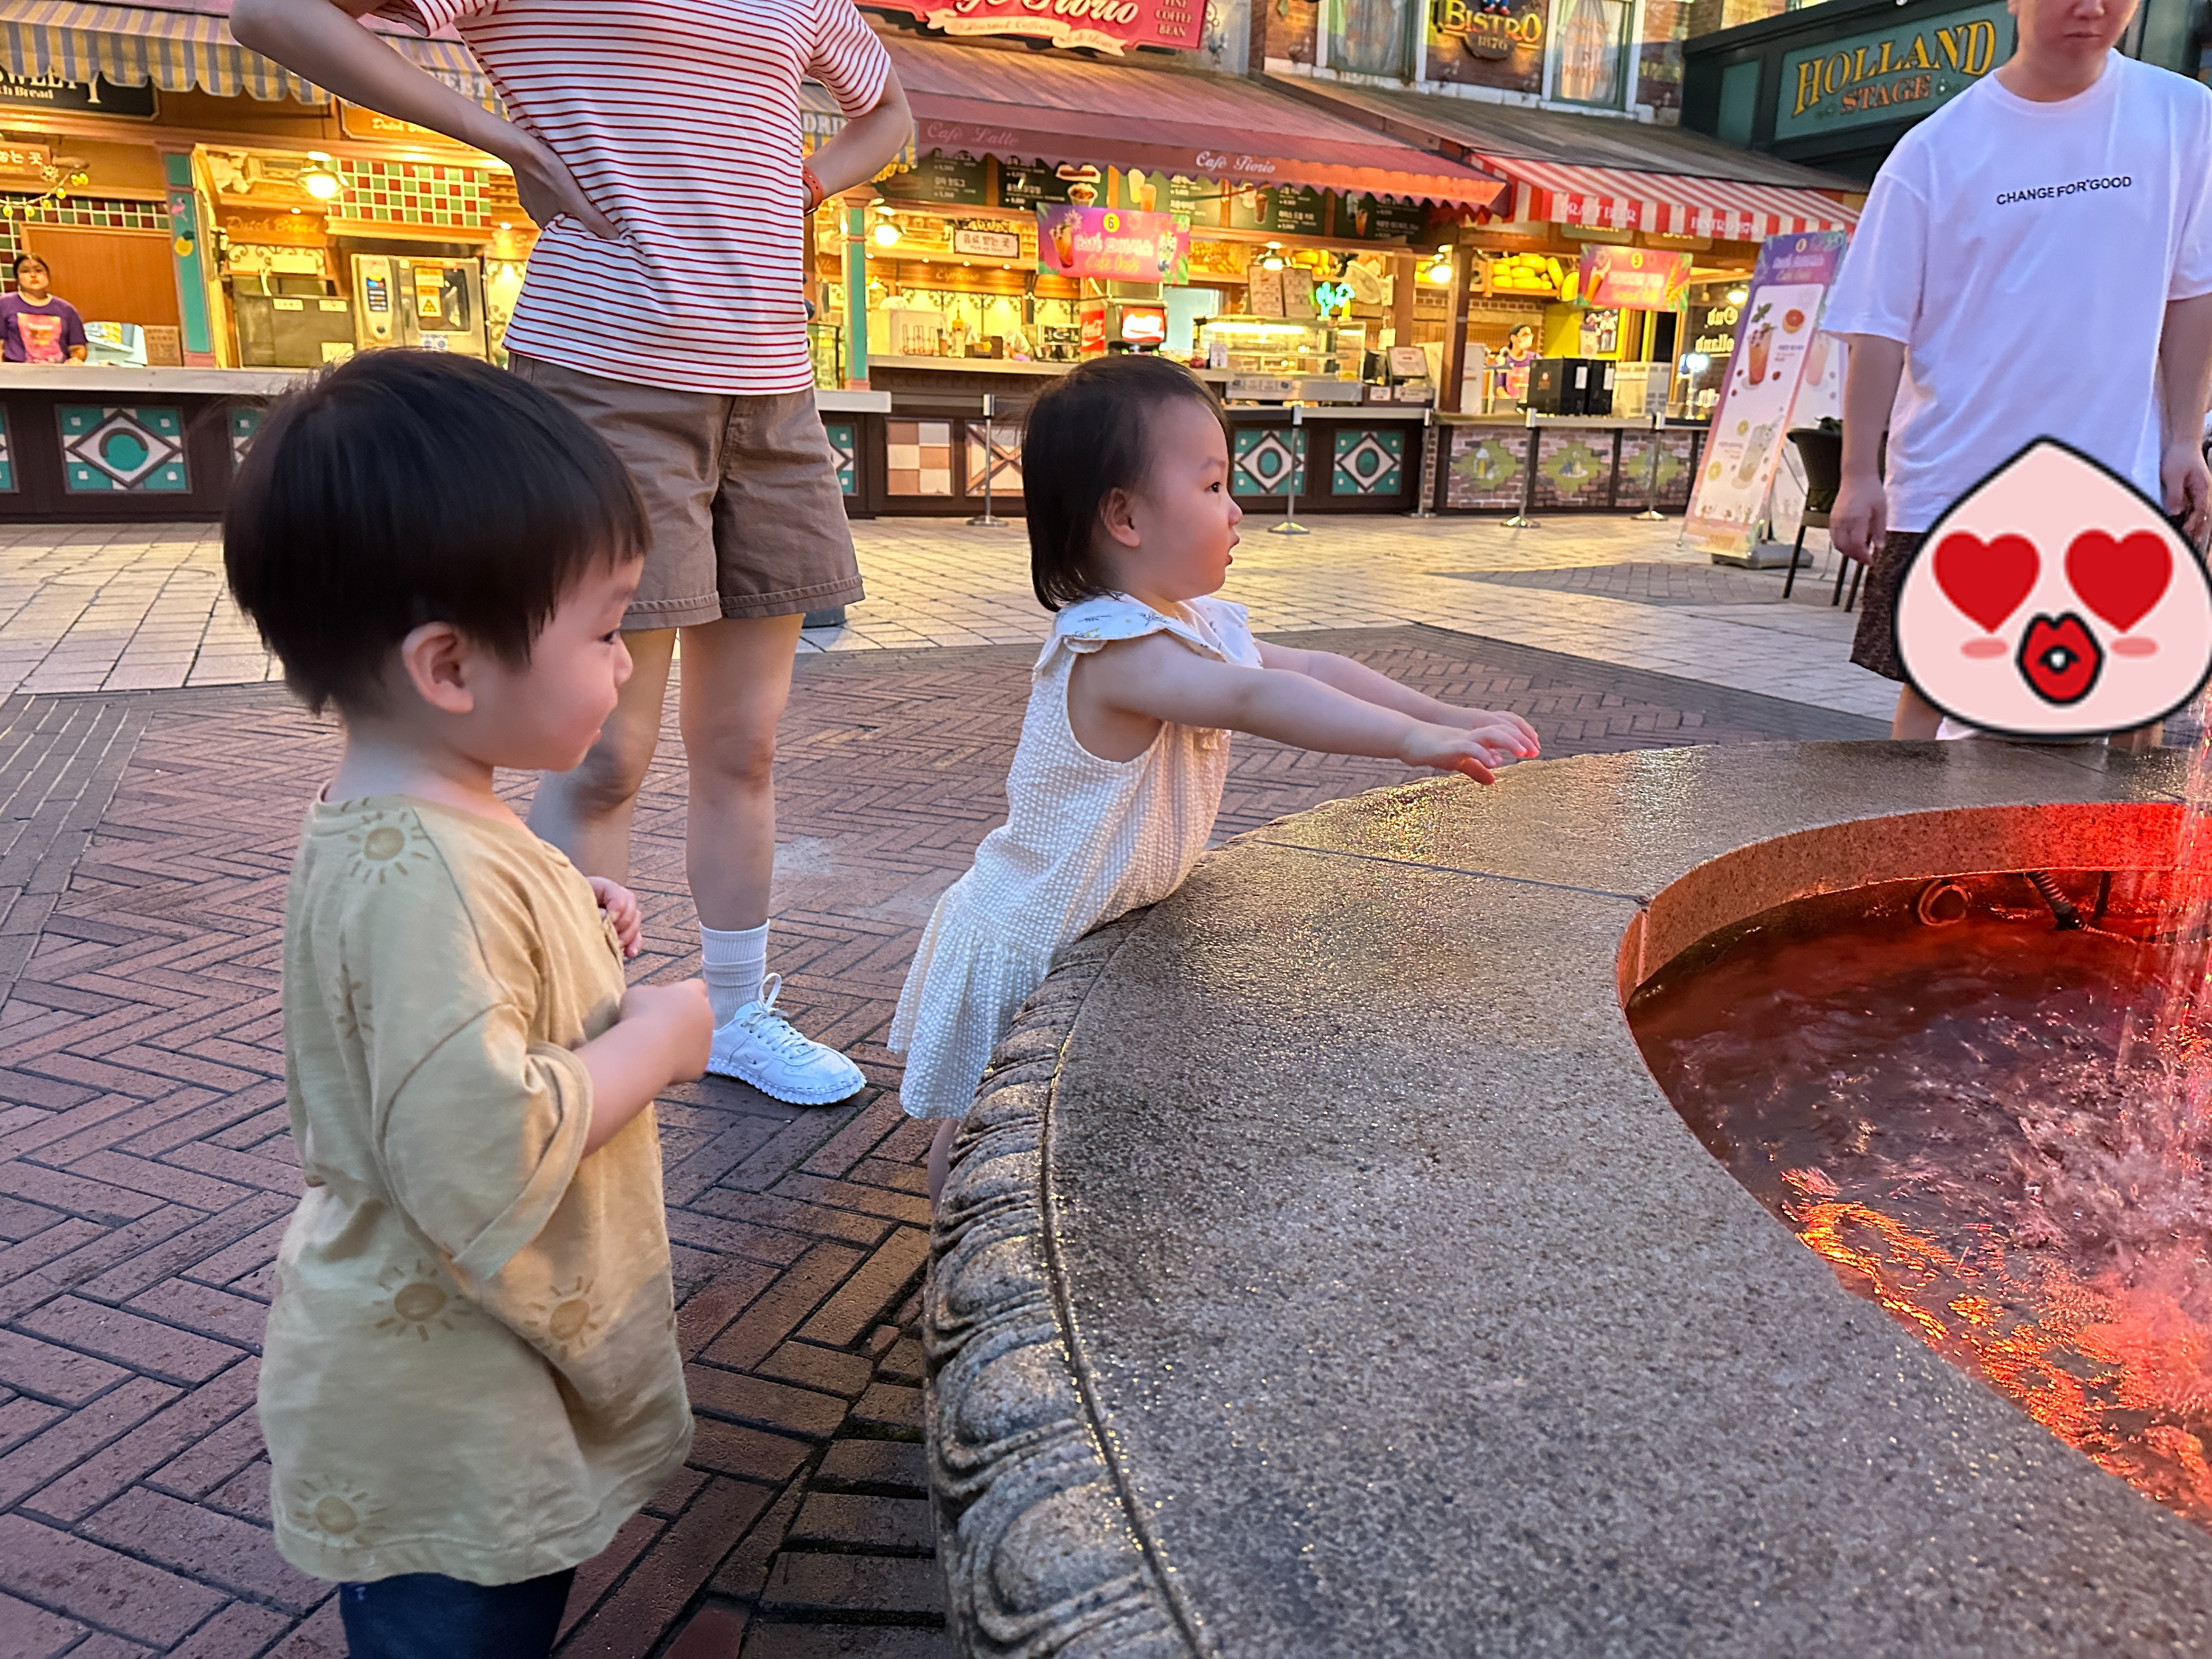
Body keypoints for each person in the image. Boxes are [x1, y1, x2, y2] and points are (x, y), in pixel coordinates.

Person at [232, 0, 915, 1105]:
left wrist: (810, 180)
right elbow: (276, 17)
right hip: (608, 376)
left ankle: (736, 1011)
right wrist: (501, 136)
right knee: (603, 752)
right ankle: (582, 1026)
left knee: (744, 745)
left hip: (776, 390)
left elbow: (886, 108)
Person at [225, 351, 714, 1658]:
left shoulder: (432, 816)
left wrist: (581, 930)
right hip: (444, 1397)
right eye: (607, 628)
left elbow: (460, 1003)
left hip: (463, 1373)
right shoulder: (421, 873)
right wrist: (659, 1044)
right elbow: (475, 1142)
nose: (624, 665)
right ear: (450, 665)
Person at [890, 356, 1543, 1200]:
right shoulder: (1115, 651)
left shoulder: (1192, 622)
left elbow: (1314, 664)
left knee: (1038, 1119)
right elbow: (1254, 694)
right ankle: (958, 1251)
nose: (1237, 510)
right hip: (1032, 934)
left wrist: (1446, 716)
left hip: (1093, 920)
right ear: (1123, 515)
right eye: (1211, 486)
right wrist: (1412, 740)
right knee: (987, 1129)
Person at [1826, 0, 2212, 742]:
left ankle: (2113, 865)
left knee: (2140, 704)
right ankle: (1918, 860)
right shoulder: (1936, 148)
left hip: (2118, 467)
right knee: (1934, 698)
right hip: (1954, 473)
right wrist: (1858, 473)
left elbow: (2191, 291)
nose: (2092, 9)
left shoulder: (2183, 115)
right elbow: (1876, 325)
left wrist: (2183, 438)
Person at [1, 254, 87, 363]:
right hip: (17, 374)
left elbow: (77, 347)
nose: (33, 275)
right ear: (17, 277)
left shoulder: (66, 310)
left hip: (58, 375)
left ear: (47, 275)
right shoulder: (4, 304)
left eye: (38, 270)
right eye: (25, 271)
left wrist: (76, 359)